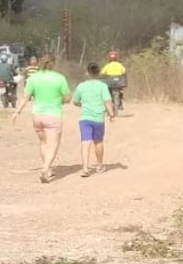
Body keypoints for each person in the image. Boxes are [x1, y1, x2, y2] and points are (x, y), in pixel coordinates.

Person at [11, 54, 69, 183]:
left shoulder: (33, 78)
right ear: (53, 64)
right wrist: (60, 100)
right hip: (53, 116)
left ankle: (48, 169)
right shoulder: (59, 78)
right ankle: (45, 168)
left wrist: (17, 112)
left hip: (37, 116)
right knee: (53, 144)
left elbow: (25, 97)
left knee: (43, 143)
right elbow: (67, 98)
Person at [70, 64, 113, 177]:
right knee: (98, 141)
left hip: (85, 118)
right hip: (98, 118)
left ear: (87, 73)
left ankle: (85, 168)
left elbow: (75, 101)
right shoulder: (102, 86)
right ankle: (99, 165)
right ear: (98, 73)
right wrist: (111, 114)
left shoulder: (81, 86)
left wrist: (82, 105)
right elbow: (107, 101)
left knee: (85, 142)